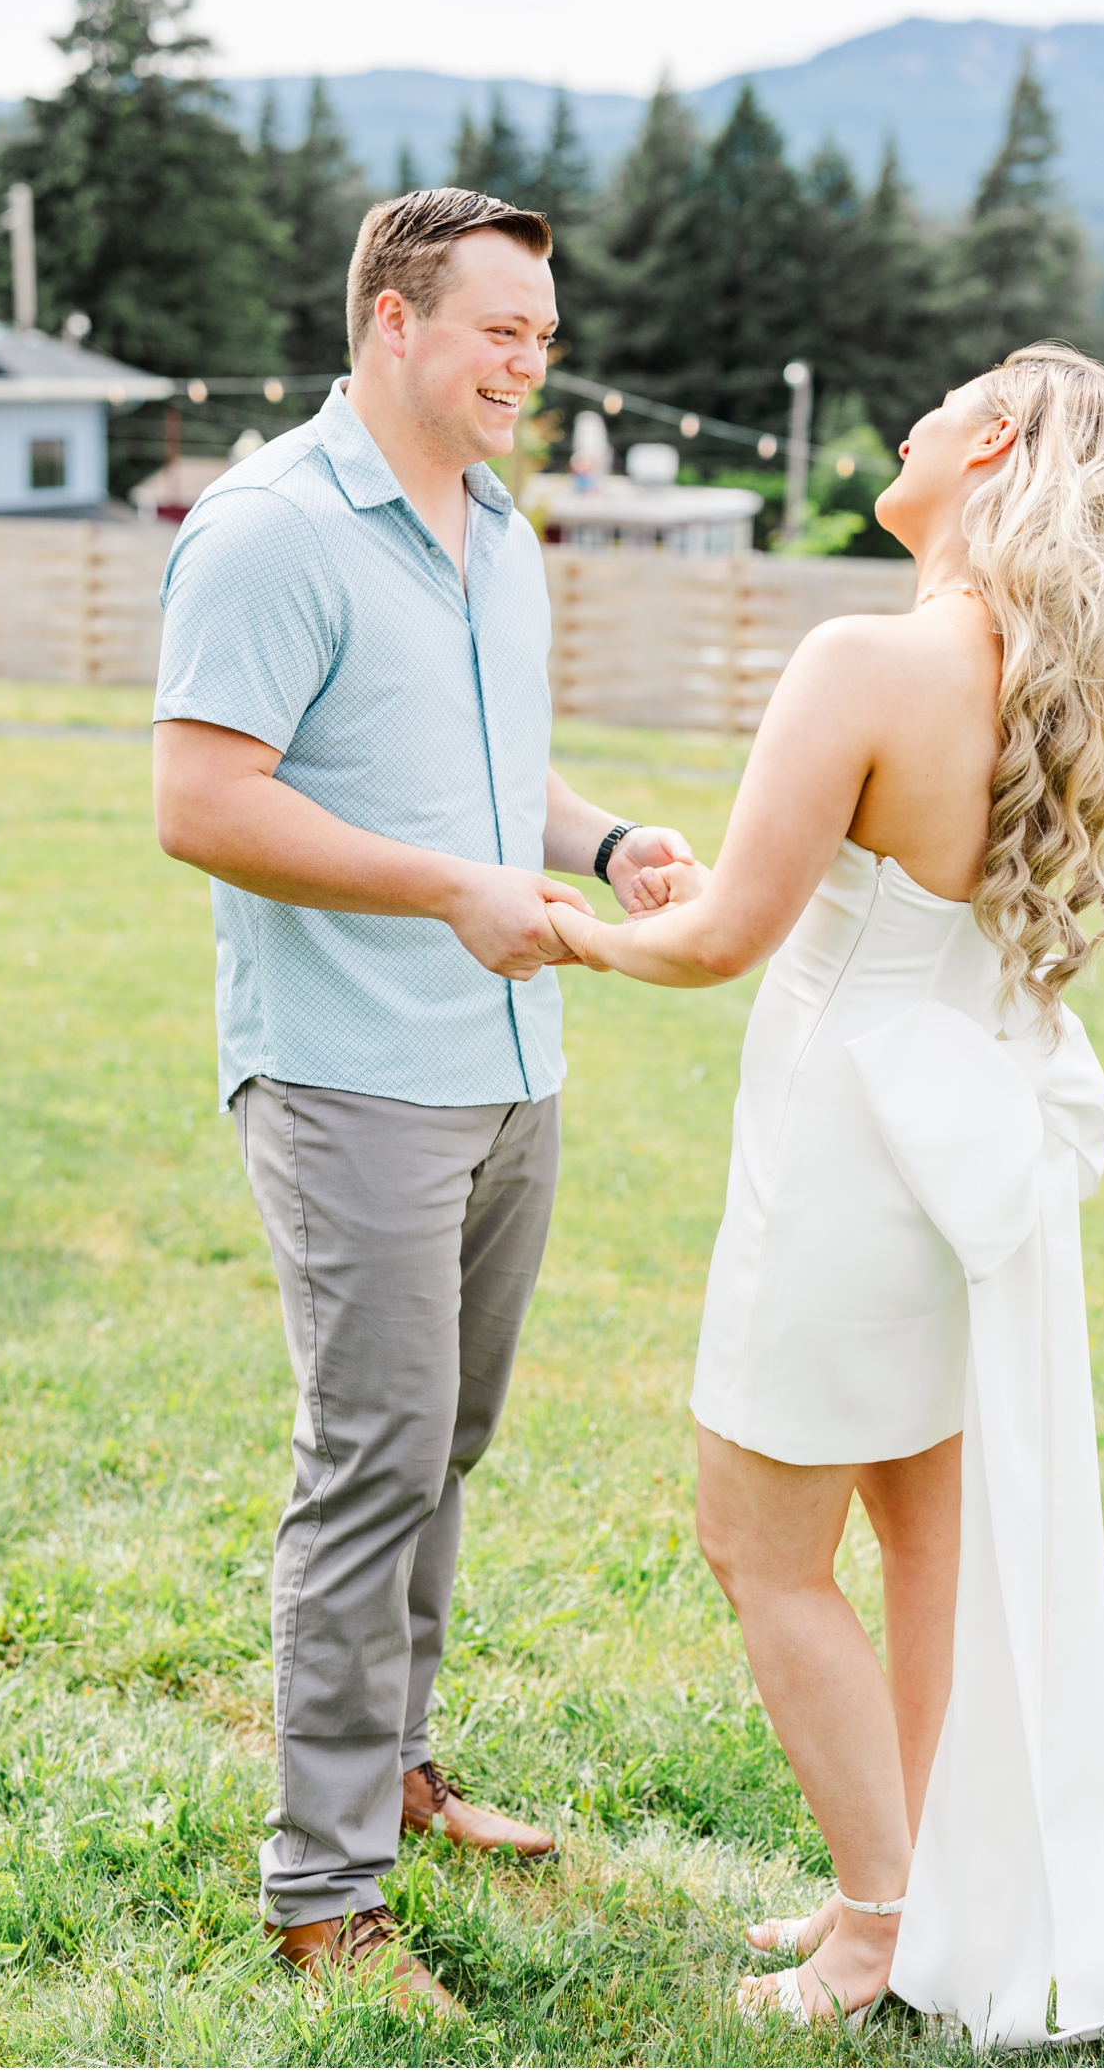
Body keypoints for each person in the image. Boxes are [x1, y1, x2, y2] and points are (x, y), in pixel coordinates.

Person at [546, 345, 1104, 2048]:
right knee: (923, 1540)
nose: (903, 422)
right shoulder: (1049, 684)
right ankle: (903, 1893)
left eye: (938, 401)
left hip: (844, 1143)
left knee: (758, 1542)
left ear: (984, 445)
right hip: (962, 1140)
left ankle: (880, 1920)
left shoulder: (868, 657)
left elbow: (724, 937)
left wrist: (555, 926)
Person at [151, 187, 694, 2015]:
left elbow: (490, 764)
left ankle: (395, 1772)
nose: (532, 366)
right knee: (369, 1456)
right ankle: (323, 1898)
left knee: (440, 1448)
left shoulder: (498, 529)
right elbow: (204, 803)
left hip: (511, 1065)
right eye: (501, 333)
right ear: (395, 321)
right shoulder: (269, 530)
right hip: (350, 1073)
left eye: (544, 337)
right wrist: (449, 892)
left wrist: (600, 840)